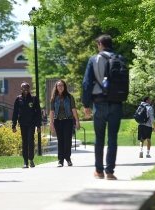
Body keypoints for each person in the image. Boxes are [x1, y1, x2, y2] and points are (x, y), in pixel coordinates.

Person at [82, 34, 123, 180]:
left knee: (99, 138)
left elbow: (87, 83)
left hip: (99, 103)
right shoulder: (120, 58)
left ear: (100, 44)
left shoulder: (94, 59)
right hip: (117, 103)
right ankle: (110, 172)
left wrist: (86, 104)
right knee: (113, 138)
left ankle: (99, 171)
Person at [49, 80, 80, 167]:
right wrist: (51, 123)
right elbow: (51, 111)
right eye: (58, 85)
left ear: (64, 86)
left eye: (62, 85)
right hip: (58, 121)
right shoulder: (53, 98)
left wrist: (77, 121)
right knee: (60, 141)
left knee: (67, 141)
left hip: (68, 121)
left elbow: (73, 109)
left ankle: (68, 158)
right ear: (56, 87)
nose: (60, 87)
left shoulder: (70, 97)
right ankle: (60, 160)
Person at [12, 82, 42, 168]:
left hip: (31, 124)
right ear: (21, 89)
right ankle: (25, 162)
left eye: (27, 88)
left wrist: (38, 125)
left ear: (29, 89)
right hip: (22, 124)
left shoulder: (34, 99)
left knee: (30, 141)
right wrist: (14, 125)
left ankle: (31, 159)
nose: (25, 90)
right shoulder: (18, 99)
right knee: (24, 142)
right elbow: (15, 112)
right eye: (24, 88)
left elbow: (38, 113)